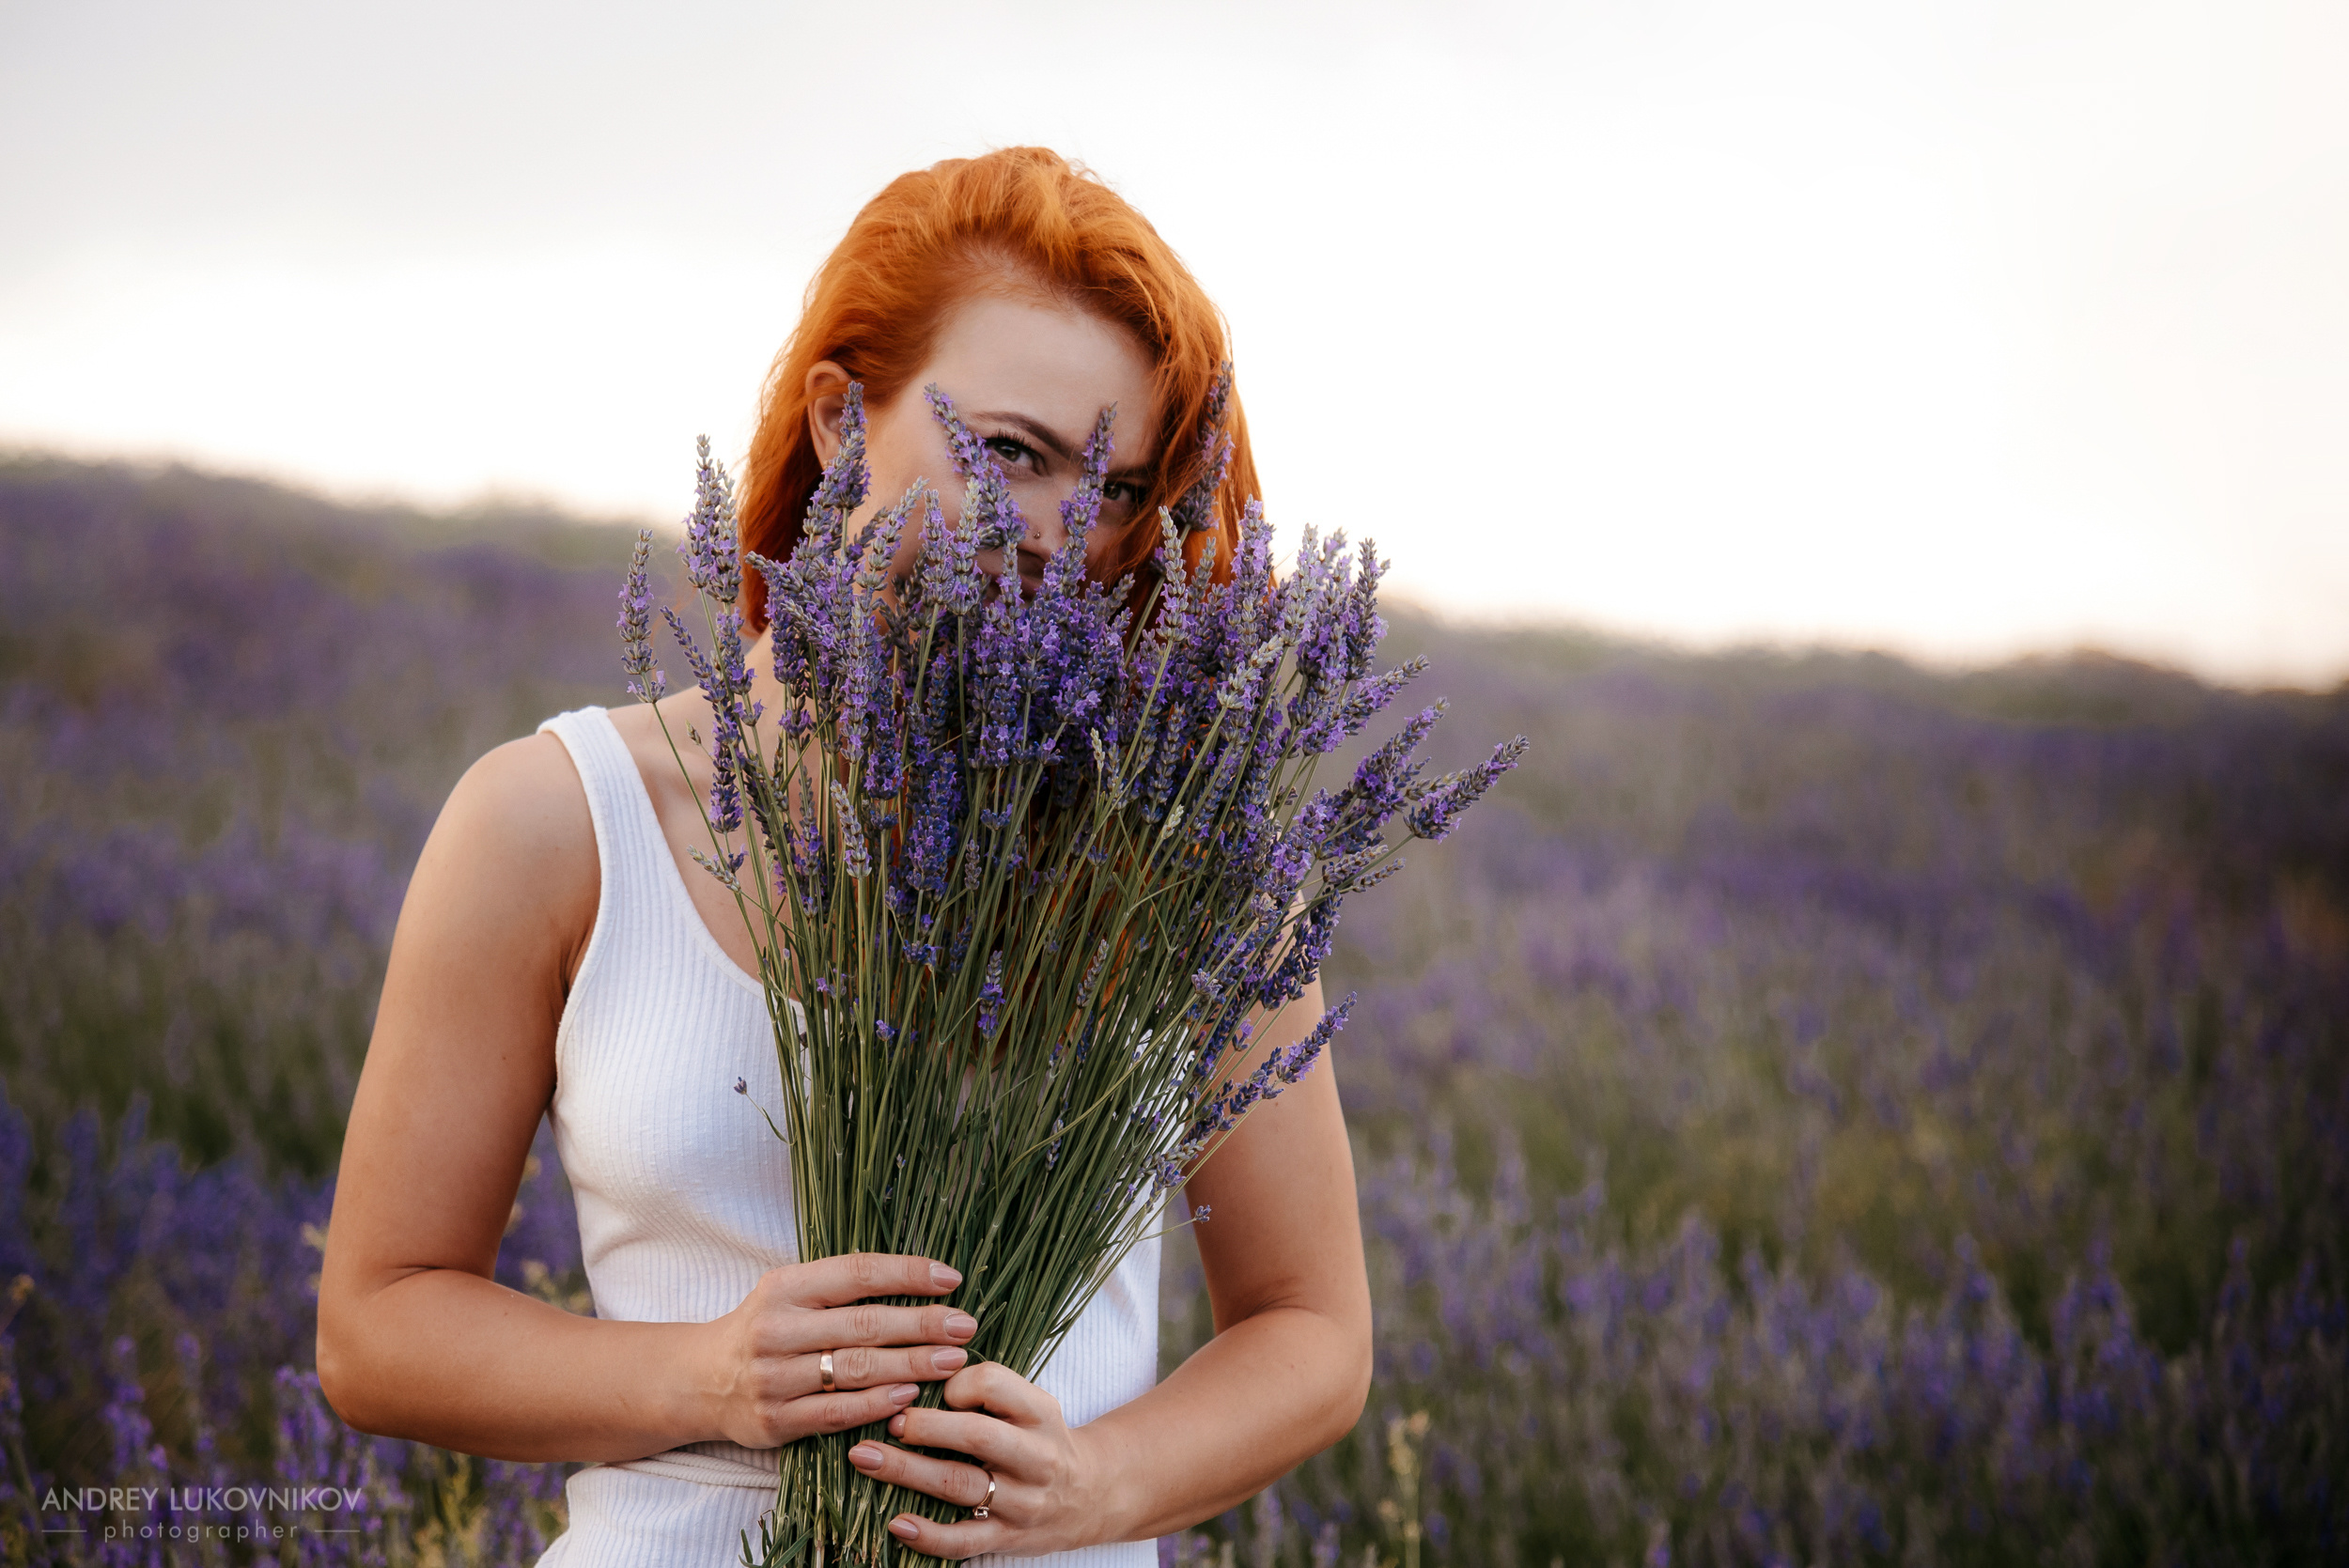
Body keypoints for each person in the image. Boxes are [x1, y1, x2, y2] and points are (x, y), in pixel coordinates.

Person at [317, 147, 1372, 1567]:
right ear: (838, 423)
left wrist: (1097, 1481)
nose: (1055, 533)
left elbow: (1313, 1329)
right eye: (1010, 453)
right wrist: (708, 1378)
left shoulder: (1181, 863)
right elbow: (377, 1324)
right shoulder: (560, 822)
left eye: (1117, 489)